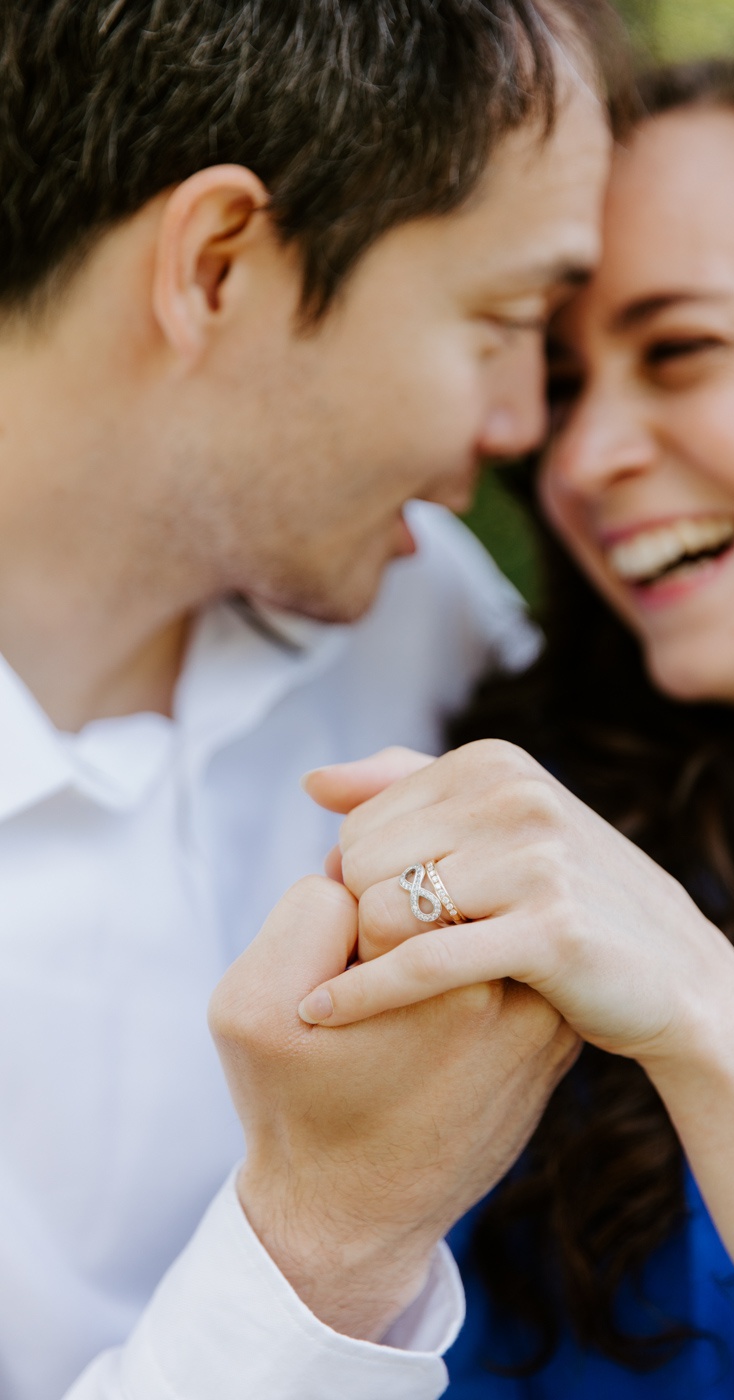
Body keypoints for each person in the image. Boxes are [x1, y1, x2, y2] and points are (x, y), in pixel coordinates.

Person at [0, 2, 624, 1397]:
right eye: (503, 319)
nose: (531, 423)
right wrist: (325, 1243)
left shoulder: (425, 615)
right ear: (218, 266)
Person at [301, 49, 734, 1398]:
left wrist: (710, 1010)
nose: (578, 458)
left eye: (682, 349)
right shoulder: (499, 893)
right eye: (568, 382)